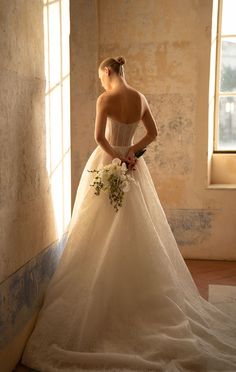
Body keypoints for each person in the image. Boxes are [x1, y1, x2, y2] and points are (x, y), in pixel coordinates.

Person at [21, 56, 236, 372]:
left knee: (95, 227)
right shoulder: (140, 98)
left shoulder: (105, 98)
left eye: (101, 77)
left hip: (108, 163)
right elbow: (154, 132)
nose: (102, 83)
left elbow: (99, 138)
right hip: (134, 167)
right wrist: (133, 153)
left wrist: (117, 158)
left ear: (108, 71)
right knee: (138, 227)